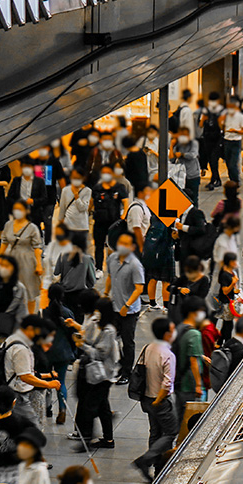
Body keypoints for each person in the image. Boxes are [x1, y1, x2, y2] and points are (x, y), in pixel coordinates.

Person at [68, 298, 119, 449]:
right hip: (96, 373)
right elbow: (90, 339)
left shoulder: (109, 330)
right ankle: (108, 440)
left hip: (103, 375)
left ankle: (87, 440)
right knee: (103, 407)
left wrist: (81, 345)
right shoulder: (97, 323)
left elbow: (101, 354)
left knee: (89, 407)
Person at [131, 317, 177, 483]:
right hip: (160, 400)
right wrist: (159, 400)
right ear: (166, 334)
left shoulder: (147, 348)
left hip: (146, 397)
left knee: (155, 431)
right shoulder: (168, 355)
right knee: (171, 431)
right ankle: (147, 460)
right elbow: (167, 382)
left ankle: (157, 467)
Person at [3, 315, 61, 425]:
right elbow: (25, 376)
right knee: (33, 429)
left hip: (10, 389)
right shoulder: (21, 349)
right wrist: (48, 384)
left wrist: (46, 376)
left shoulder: (12, 339)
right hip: (18, 394)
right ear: (30, 328)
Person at [105, 234, 144, 384]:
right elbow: (109, 277)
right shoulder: (112, 259)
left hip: (129, 311)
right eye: (121, 242)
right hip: (115, 306)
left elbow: (139, 288)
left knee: (128, 341)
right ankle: (121, 363)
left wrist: (127, 305)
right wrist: (105, 294)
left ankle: (127, 372)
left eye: (126, 243)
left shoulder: (135, 265)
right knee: (112, 338)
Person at [0, 201, 43, 314]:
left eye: (20, 209)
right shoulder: (8, 225)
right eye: (15, 209)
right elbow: (4, 243)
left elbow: (37, 247)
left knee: (29, 289)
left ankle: (31, 315)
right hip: (11, 260)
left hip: (27, 261)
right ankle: (13, 314)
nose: (17, 212)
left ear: (26, 211)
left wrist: (39, 264)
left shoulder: (32, 228)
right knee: (11, 288)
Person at [42, 285, 75, 424]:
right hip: (63, 352)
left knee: (47, 381)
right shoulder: (67, 313)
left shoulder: (44, 313)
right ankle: (62, 410)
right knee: (61, 382)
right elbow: (73, 334)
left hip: (46, 353)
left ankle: (48, 408)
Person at [0, 255, 29, 347]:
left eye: (7, 266)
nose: (3, 268)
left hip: (13, 330)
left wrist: (19, 337)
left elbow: (22, 314)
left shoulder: (19, 288)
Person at [91, 169, 130, 273]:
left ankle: (116, 266)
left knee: (115, 246)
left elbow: (126, 202)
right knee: (99, 246)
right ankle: (98, 268)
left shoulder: (119, 187)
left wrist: (123, 216)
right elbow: (91, 202)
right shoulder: (97, 188)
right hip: (99, 222)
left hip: (114, 222)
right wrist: (90, 212)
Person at [7, 161, 53, 242]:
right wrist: (17, 204)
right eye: (24, 166)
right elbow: (9, 197)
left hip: (34, 211)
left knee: (36, 232)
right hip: (20, 212)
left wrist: (33, 201)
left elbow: (44, 198)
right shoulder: (16, 181)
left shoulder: (39, 181)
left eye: (28, 166)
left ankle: (39, 250)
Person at [167, 257, 211, 325]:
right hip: (179, 311)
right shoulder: (185, 277)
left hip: (194, 313)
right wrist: (180, 289)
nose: (189, 274)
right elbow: (169, 288)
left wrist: (189, 292)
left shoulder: (204, 280)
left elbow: (202, 296)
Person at [57, 171, 92, 243]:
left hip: (82, 226)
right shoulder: (65, 190)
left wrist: (77, 198)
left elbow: (83, 208)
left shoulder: (87, 191)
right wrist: (60, 221)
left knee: (80, 251)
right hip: (68, 225)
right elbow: (62, 207)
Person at [219, 97, 243, 184]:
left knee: (233, 163)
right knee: (228, 163)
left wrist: (235, 131)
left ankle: (236, 181)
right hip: (227, 140)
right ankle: (232, 180)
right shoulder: (226, 115)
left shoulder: (241, 116)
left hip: (236, 141)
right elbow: (221, 126)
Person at [171, 127, 202, 207]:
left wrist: (182, 154)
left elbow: (193, 155)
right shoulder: (178, 145)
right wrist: (172, 145)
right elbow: (171, 157)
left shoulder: (193, 143)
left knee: (194, 198)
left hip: (192, 174)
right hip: (181, 176)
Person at [200, 92, 224, 190]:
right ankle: (215, 178)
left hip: (217, 139)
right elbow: (201, 124)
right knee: (210, 160)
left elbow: (222, 125)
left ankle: (215, 179)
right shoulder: (206, 110)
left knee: (214, 159)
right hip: (208, 139)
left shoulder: (221, 111)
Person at [214, 253, 241, 339]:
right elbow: (225, 291)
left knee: (227, 324)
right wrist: (233, 283)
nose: (235, 263)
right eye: (234, 261)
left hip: (229, 301)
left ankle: (221, 341)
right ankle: (225, 341)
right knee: (228, 325)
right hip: (226, 302)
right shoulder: (224, 275)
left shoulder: (231, 272)